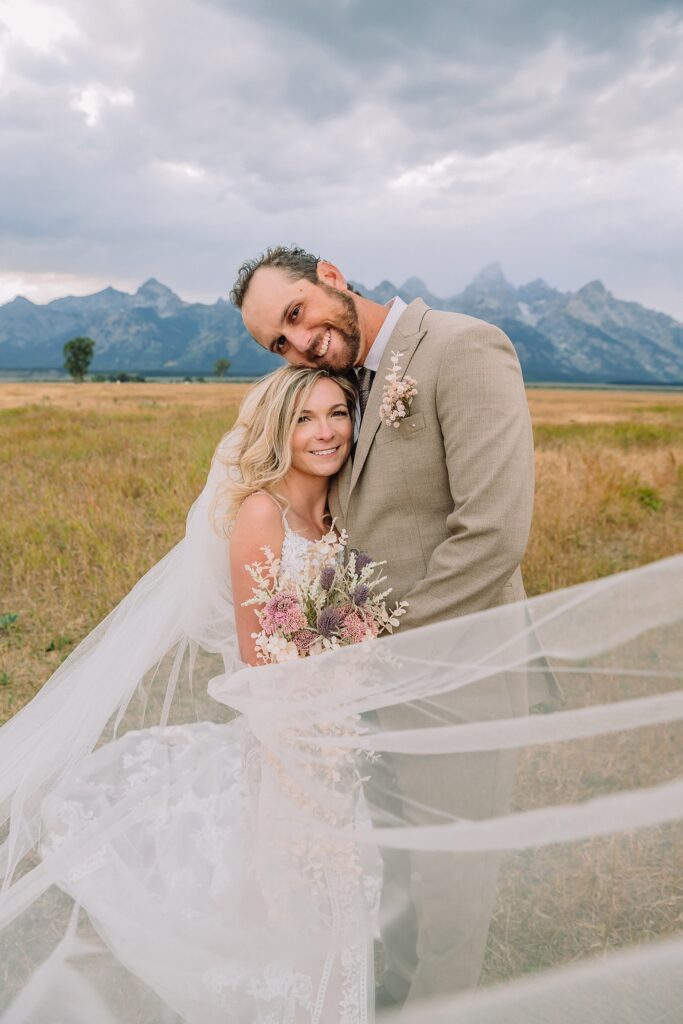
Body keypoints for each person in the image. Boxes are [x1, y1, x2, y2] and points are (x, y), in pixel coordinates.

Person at [230, 245, 562, 1008]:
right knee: (394, 886)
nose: (299, 342)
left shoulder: (461, 347)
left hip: (458, 680)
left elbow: (491, 535)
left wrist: (377, 651)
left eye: (295, 314)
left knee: (450, 900)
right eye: (278, 343)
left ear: (332, 277)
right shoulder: (339, 388)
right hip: (366, 692)